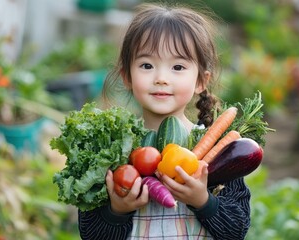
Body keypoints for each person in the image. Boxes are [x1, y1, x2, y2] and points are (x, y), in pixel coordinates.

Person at [78, 3, 250, 239]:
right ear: (127, 76)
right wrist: (117, 211)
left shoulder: (218, 152)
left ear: (201, 80)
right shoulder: (111, 149)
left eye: (178, 67)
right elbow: (90, 234)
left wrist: (204, 201)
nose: (161, 78)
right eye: (147, 65)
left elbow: (237, 230)